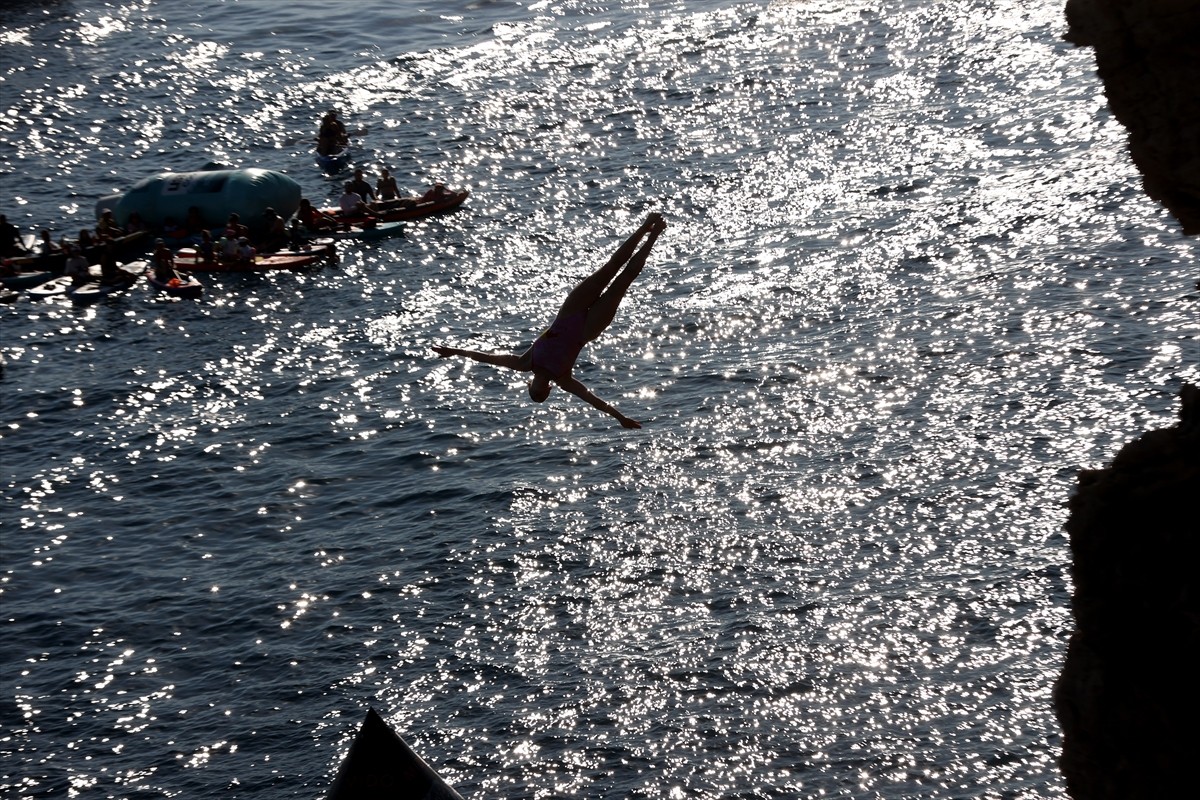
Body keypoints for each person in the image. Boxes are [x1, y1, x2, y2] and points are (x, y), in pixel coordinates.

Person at [432, 213, 667, 428]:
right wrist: (620, 418)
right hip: (587, 329)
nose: (537, 389)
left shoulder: (525, 364)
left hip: (569, 312)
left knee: (611, 267)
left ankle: (646, 226)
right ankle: (654, 235)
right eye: (540, 393)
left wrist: (454, 351)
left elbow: (486, 358)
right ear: (548, 390)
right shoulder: (563, 379)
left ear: (530, 385)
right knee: (624, 280)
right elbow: (592, 400)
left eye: (533, 391)